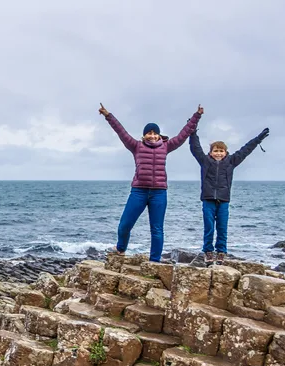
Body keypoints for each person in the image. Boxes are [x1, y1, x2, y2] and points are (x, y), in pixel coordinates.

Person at [99, 103, 203, 262]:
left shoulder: (167, 146)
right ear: (144, 136)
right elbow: (121, 131)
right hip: (139, 191)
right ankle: (120, 248)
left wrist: (196, 116)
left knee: (157, 229)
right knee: (125, 224)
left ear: (160, 135)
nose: (152, 136)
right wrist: (108, 115)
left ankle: (154, 261)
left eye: (155, 133)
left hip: (159, 192)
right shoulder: (136, 146)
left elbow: (183, 134)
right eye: (149, 133)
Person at [189, 127, 270, 265]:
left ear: (226, 152)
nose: (218, 153)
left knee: (222, 227)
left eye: (221, 151)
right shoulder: (205, 161)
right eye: (216, 150)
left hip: (224, 200)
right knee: (208, 226)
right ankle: (208, 251)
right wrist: (193, 133)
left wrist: (258, 139)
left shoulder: (231, 161)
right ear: (211, 152)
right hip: (208, 199)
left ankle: (221, 252)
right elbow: (195, 148)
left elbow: (246, 150)